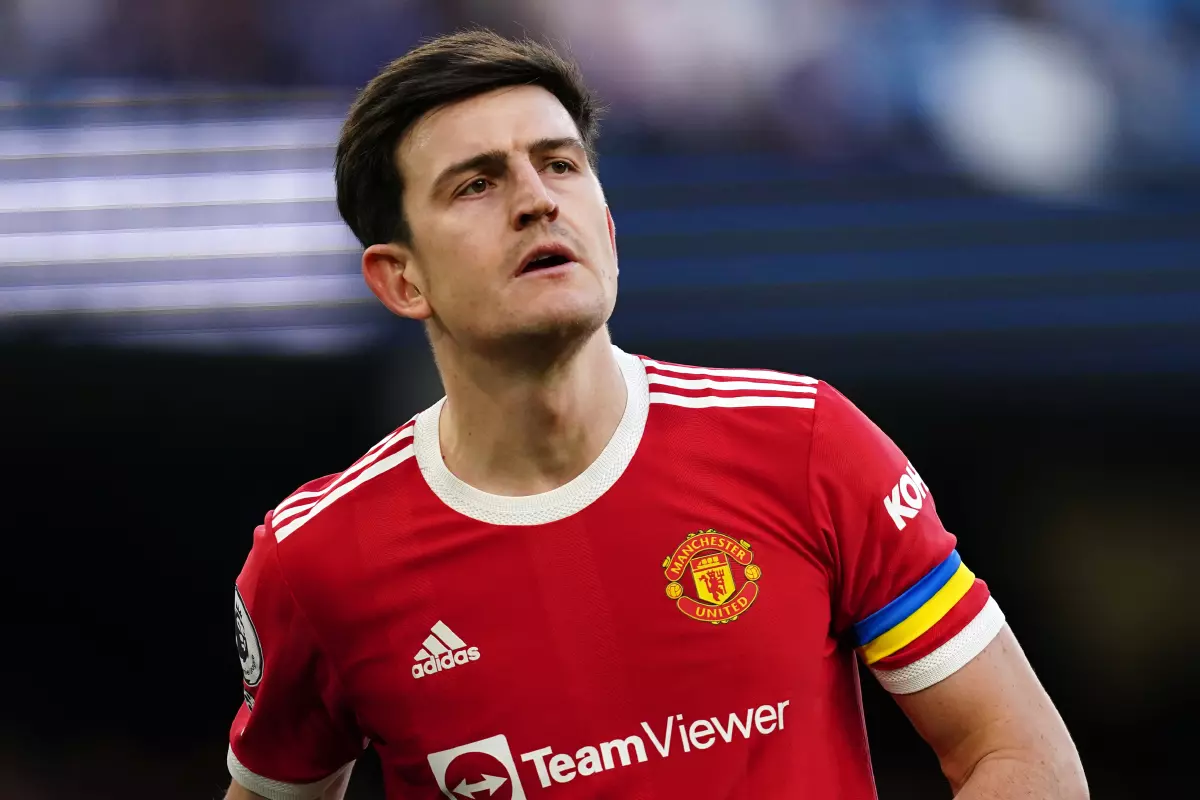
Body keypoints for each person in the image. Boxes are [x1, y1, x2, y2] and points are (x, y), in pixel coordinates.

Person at [224, 29, 1087, 800]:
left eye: (559, 163)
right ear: (400, 279)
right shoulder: (317, 560)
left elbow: (1021, 757)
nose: (537, 199)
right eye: (477, 184)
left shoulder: (804, 443)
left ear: (606, 219)